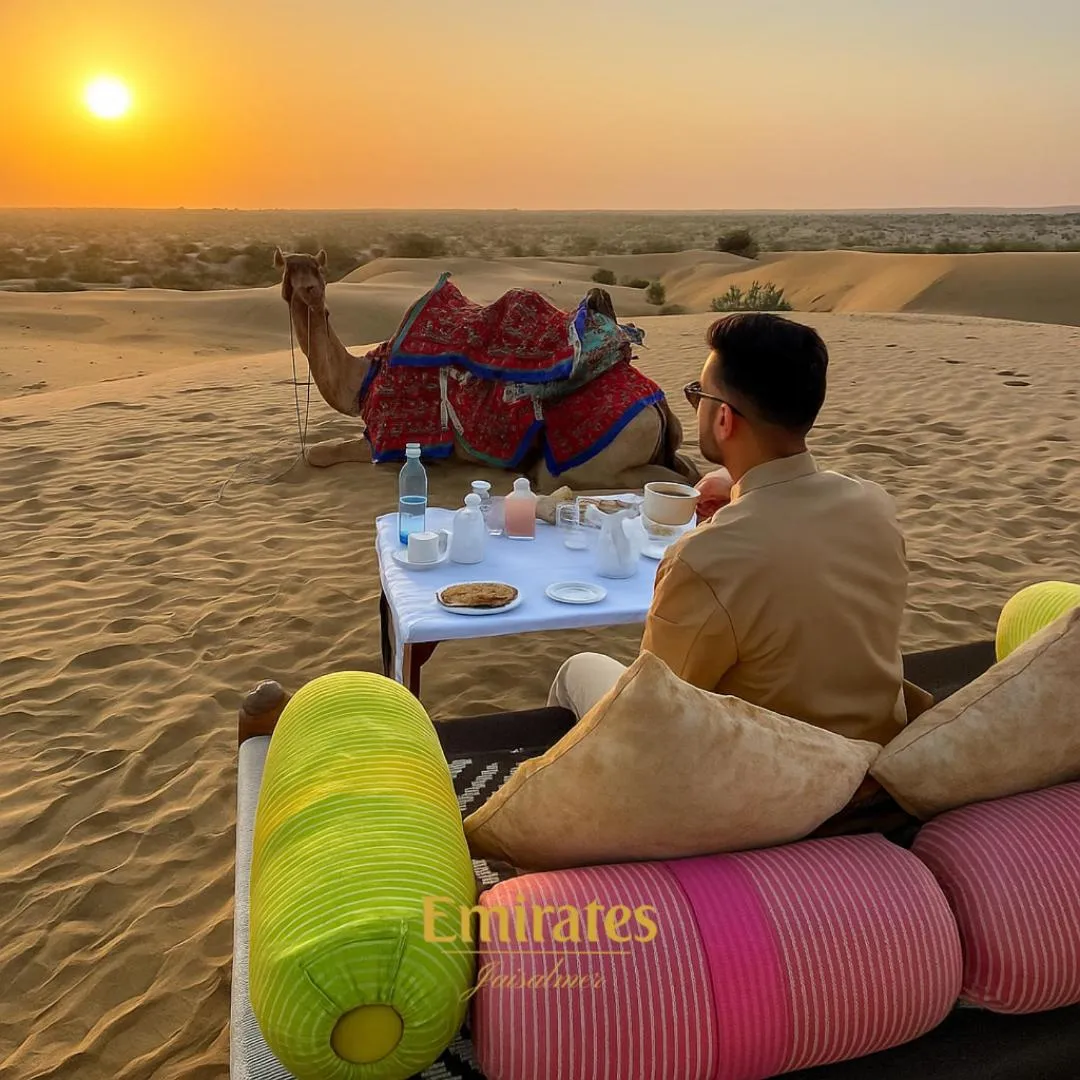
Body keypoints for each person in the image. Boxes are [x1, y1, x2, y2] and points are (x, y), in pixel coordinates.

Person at [548, 311, 917, 746]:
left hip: (764, 782)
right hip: (874, 754)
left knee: (580, 668)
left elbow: (655, 711)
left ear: (724, 418)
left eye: (697, 394)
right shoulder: (875, 505)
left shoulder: (706, 557)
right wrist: (742, 487)